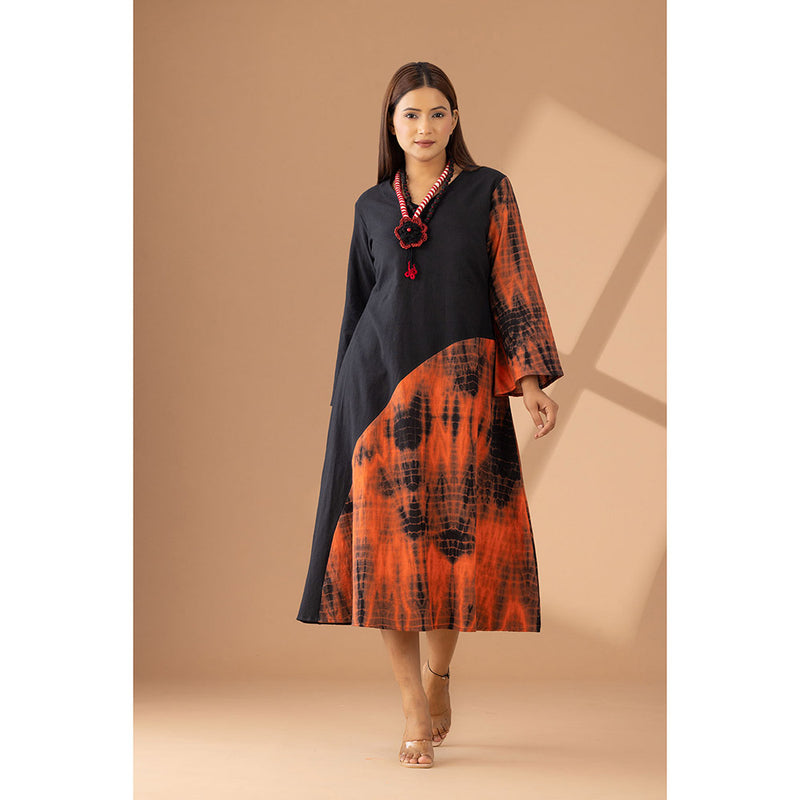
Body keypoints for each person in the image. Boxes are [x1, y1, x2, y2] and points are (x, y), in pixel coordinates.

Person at [296, 61, 564, 768]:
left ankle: (439, 676)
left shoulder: (488, 190)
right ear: (391, 125)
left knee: (452, 549)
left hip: (462, 390)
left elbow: (514, 284)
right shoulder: (370, 207)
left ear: (455, 119)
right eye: (410, 114)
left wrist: (529, 380)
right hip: (377, 393)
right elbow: (357, 307)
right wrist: (343, 399)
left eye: (437, 112)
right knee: (386, 554)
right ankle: (412, 705)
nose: (424, 126)